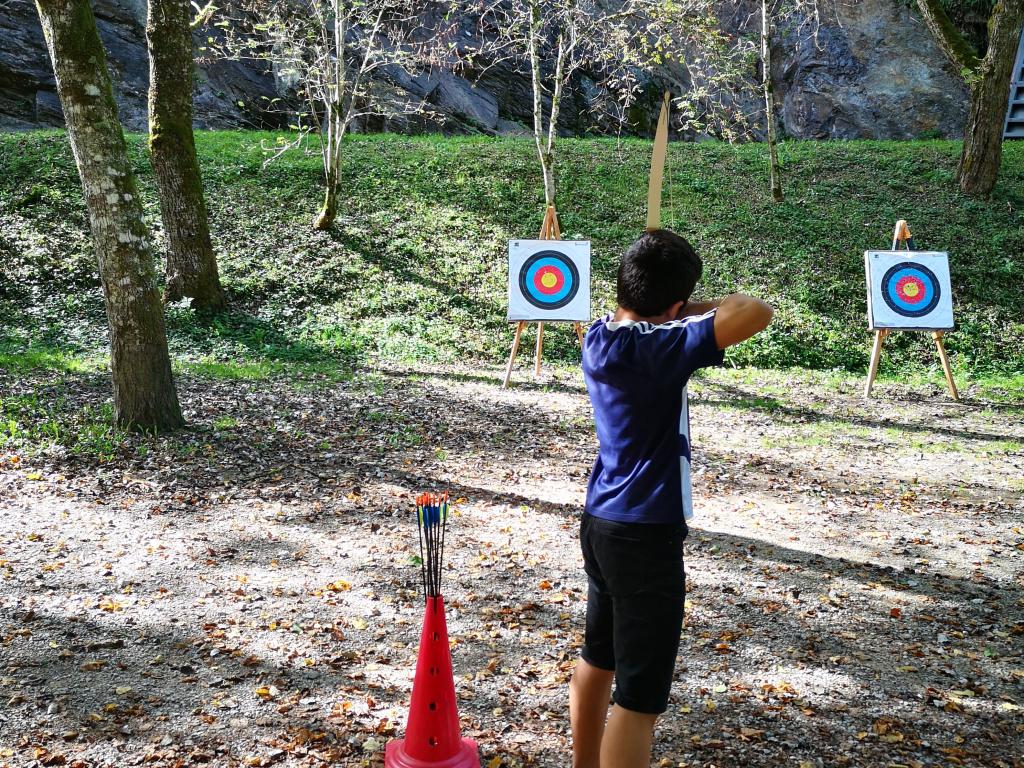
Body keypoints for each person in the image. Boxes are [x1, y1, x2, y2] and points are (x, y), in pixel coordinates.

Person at [570, 229, 773, 768]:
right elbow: (754, 309)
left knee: (598, 658)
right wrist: (686, 311)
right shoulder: (661, 347)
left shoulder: (597, 334)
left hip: (601, 523)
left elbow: (657, 311)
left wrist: (668, 306)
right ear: (675, 305)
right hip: (644, 537)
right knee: (638, 701)